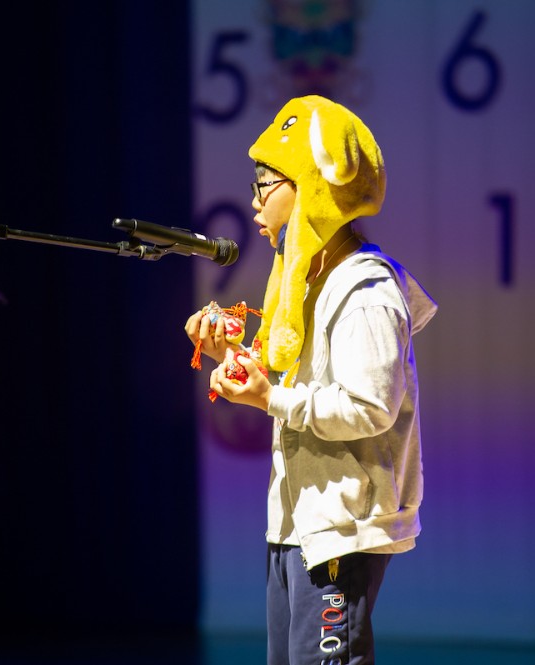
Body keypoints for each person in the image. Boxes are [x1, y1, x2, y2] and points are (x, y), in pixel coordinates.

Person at [185, 95, 438, 664]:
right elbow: (303, 380)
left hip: (343, 528)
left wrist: (271, 397)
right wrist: (237, 356)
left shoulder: (365, 290)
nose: (252, 201)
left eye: (264, 182)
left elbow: (370, 406)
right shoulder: (308, 278)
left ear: (311, 186)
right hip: (300, 522)